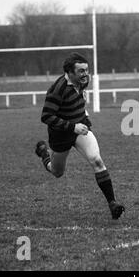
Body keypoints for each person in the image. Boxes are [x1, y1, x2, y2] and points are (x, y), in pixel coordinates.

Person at [34, 52, 125, 220]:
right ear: (69, 72)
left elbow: (80, 100)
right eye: (81, 71)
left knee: (97, 160)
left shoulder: (82, 82)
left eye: (87, 70)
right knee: (56, 172)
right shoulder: (57, 89)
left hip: (80, 129)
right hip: (61, 135)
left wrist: (84, 118)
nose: (85, 74)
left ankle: (112, 203)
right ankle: (44, 153)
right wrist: (72, 126)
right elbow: (46, 117)